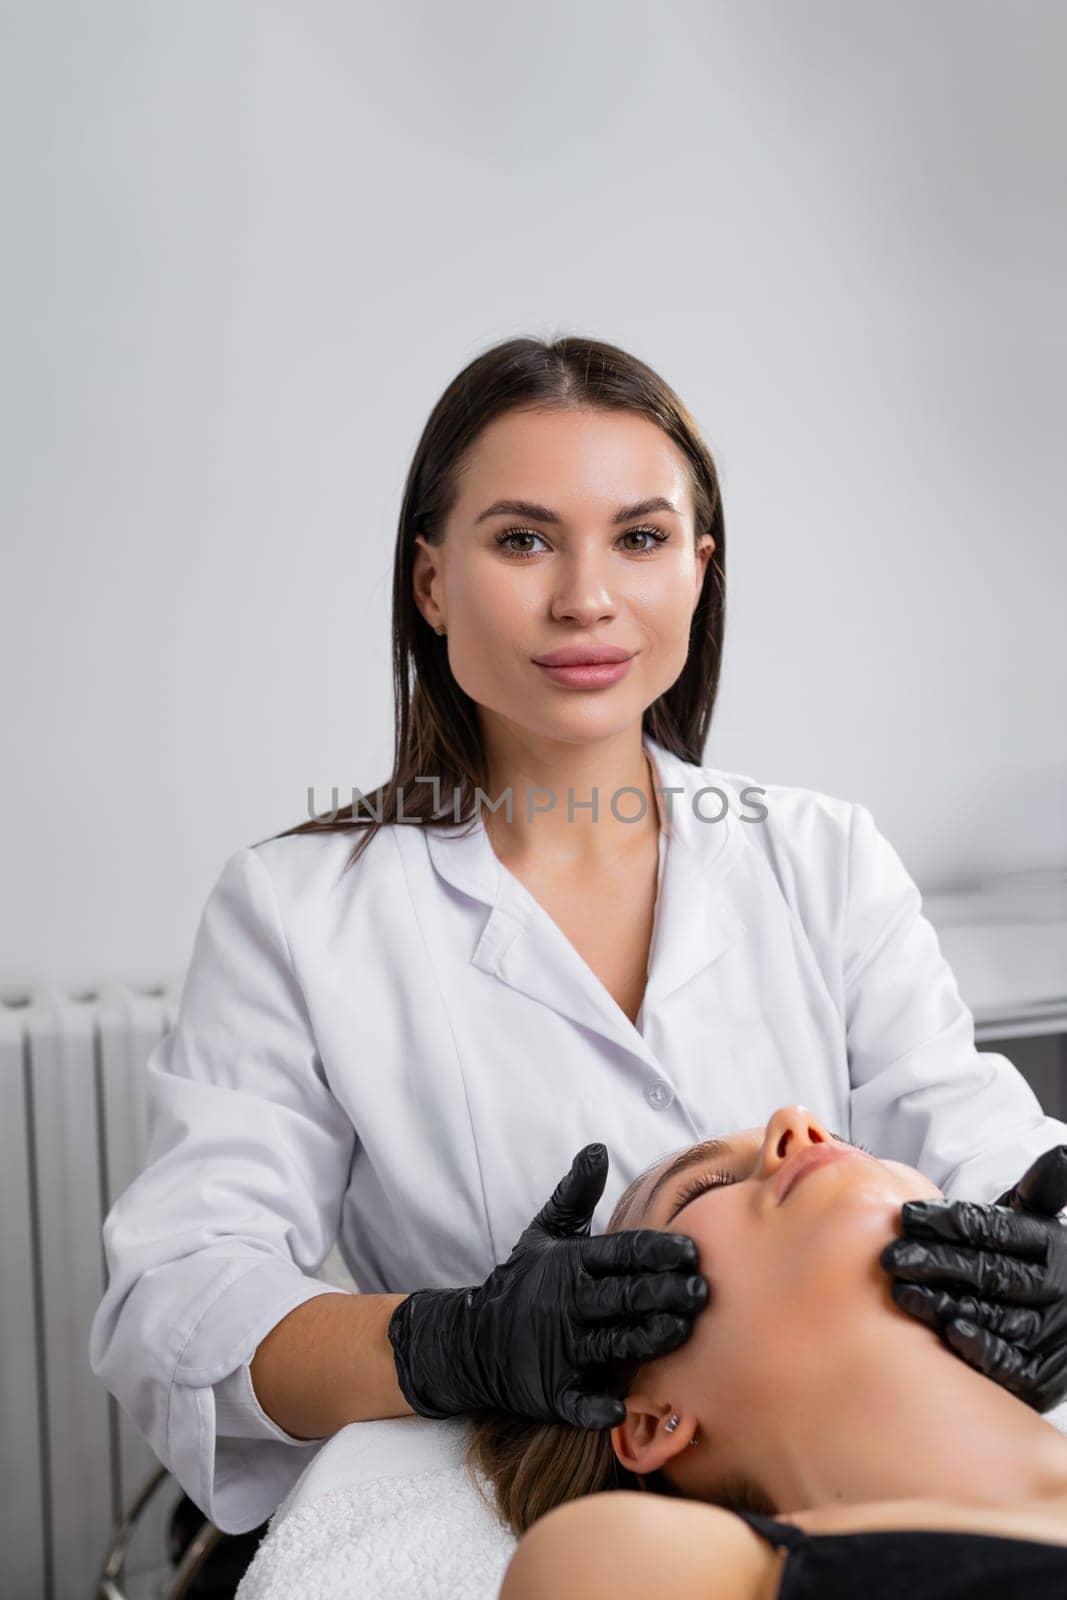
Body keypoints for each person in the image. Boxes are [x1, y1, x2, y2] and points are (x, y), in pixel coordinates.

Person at [89, 334, 1067, 1537]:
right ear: (431, 582)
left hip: (827, 1471)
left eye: (640, 537)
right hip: (531, 1507)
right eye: (521, 538)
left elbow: (977, 1144)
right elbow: (180, 1302)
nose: (584, 597)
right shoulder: (295, 910)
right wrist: (449, 1342)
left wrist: (1045, 1255)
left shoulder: (820, 856)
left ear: (698, 570)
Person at [491, 1104, 1067, 1600]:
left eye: (853, 1143)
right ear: (647, 1421)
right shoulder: (660, 1569)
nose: (798, 1121)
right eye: (706, 1187)